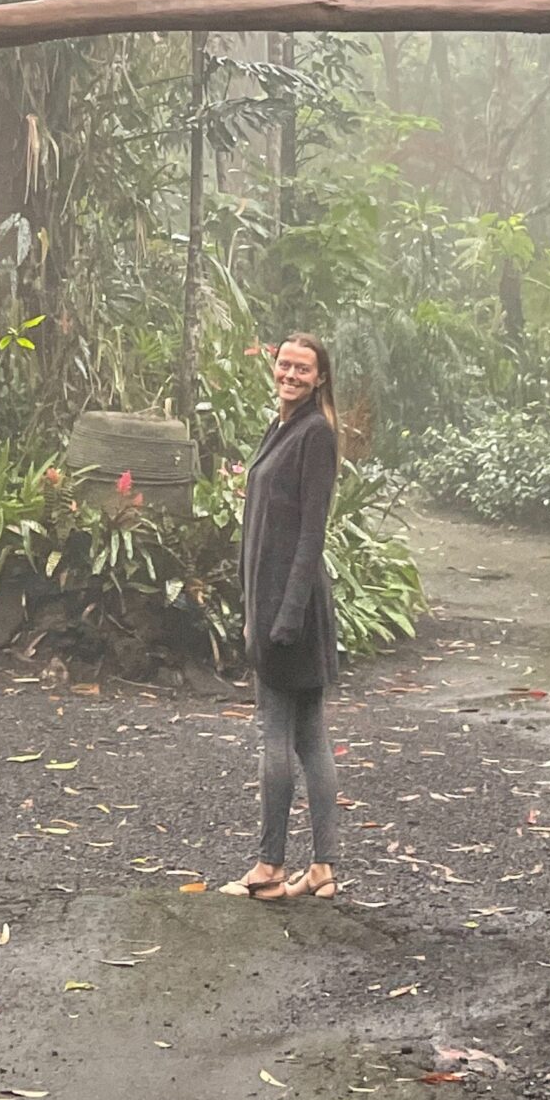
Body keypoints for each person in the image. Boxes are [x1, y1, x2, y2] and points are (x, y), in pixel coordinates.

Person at [226, 332, 342, 903]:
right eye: (285, 364)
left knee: (276, 735)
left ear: (320, 377)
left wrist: (284, 617)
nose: (291, 374)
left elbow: (310, 534)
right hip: (272, 604)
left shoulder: (316, 434)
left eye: (303, 368)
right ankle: (322, 867)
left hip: (291, 611)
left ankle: (270, 864)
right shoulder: (281, 428)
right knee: (310, 737)